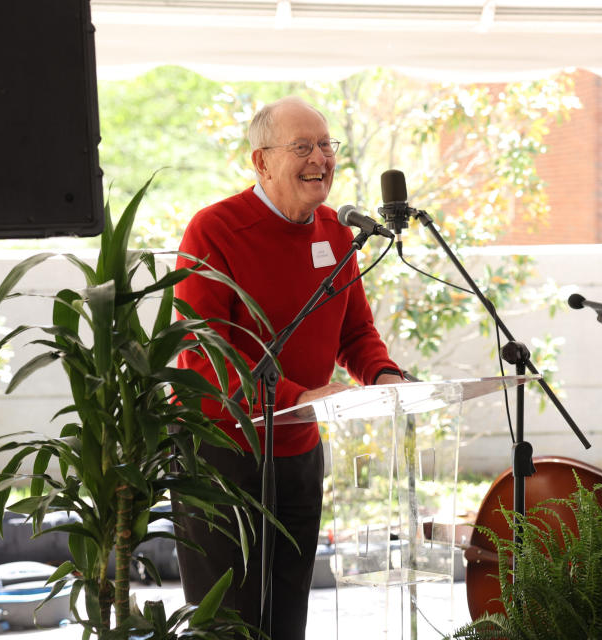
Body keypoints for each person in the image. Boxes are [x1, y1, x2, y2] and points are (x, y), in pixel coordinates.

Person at [173, 96, 403, 639]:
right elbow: (203, 352)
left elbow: (355, 332)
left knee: (287, 619)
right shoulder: (214, 230)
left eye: (326, 145)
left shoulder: (335, 230)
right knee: (226, 623)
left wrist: (385, 377)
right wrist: (295, 397)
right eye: (302, 147)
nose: (320, 158)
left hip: (299, 451)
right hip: (222, 455)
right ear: (261, 161)